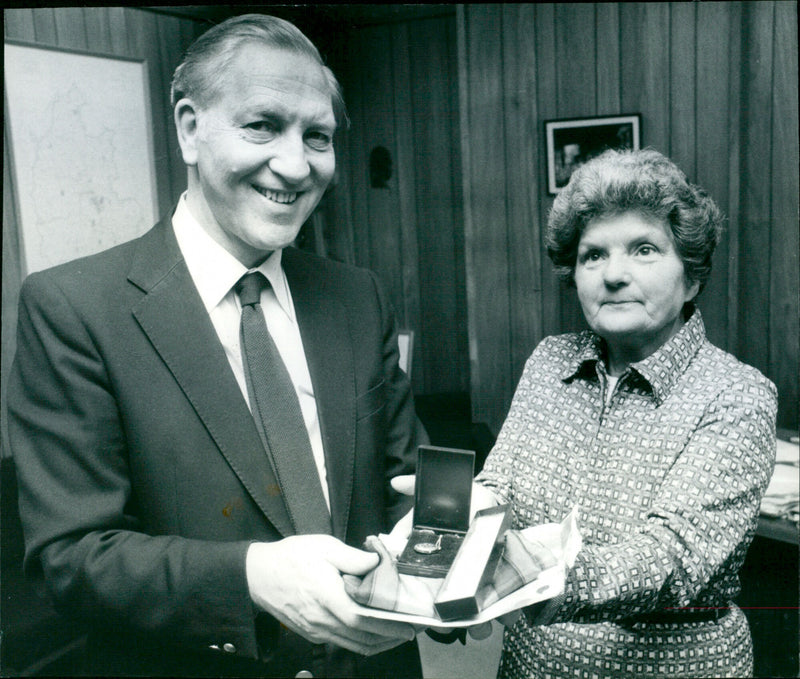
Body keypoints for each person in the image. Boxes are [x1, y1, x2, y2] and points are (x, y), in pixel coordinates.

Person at [7, 14, 425, 678]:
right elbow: (72, 558)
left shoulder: (357, 296)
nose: (294, 164)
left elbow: (407, 477)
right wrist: (254, 575)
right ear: (189, 128)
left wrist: (445, 539)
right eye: (262, 125)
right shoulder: (73, 307)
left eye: (317, 135)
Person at [414, 148, 776, 677]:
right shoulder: (550, 361)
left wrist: (515, 576)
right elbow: (503, 485)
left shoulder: (737, 393)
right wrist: (456, 525)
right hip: (533, 664)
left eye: (645, 249)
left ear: (692, 276)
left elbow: (672, 557)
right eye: (593, 255)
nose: (613, 275)